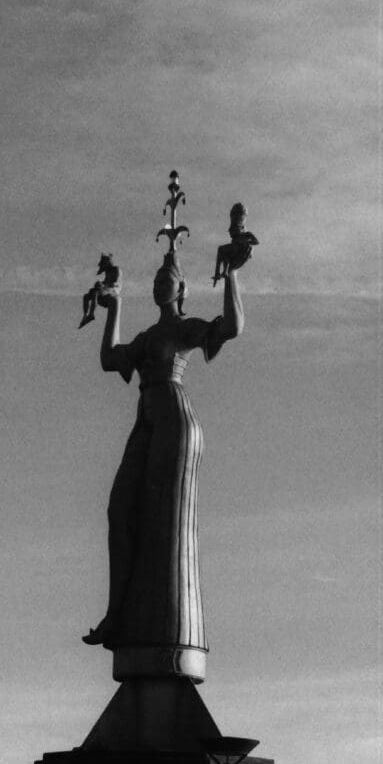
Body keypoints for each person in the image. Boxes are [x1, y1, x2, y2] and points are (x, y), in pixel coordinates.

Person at [82, 248, 248, 651]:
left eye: (166, 280)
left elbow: (232, 328)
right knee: (120, 510)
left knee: (164, 522)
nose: (159, 285)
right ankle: (117, 612)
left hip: (175, 420)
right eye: (155, 280)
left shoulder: (185, 329)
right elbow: (109, 359)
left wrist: (231, 277)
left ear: (181, 289)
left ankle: (161, 622)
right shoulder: (148, 338)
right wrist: (114, 304)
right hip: (147, 418)